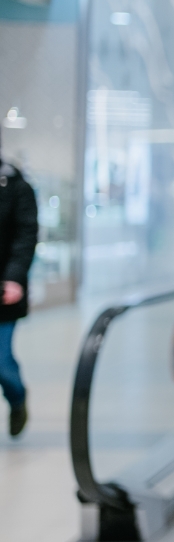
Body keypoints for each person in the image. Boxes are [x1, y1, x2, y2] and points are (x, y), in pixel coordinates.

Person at [0, 157, 37, 439]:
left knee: (1, 361)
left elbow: (26, 235)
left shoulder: (16, 186)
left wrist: (14, 278)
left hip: (3, 291)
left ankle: (17, 398)